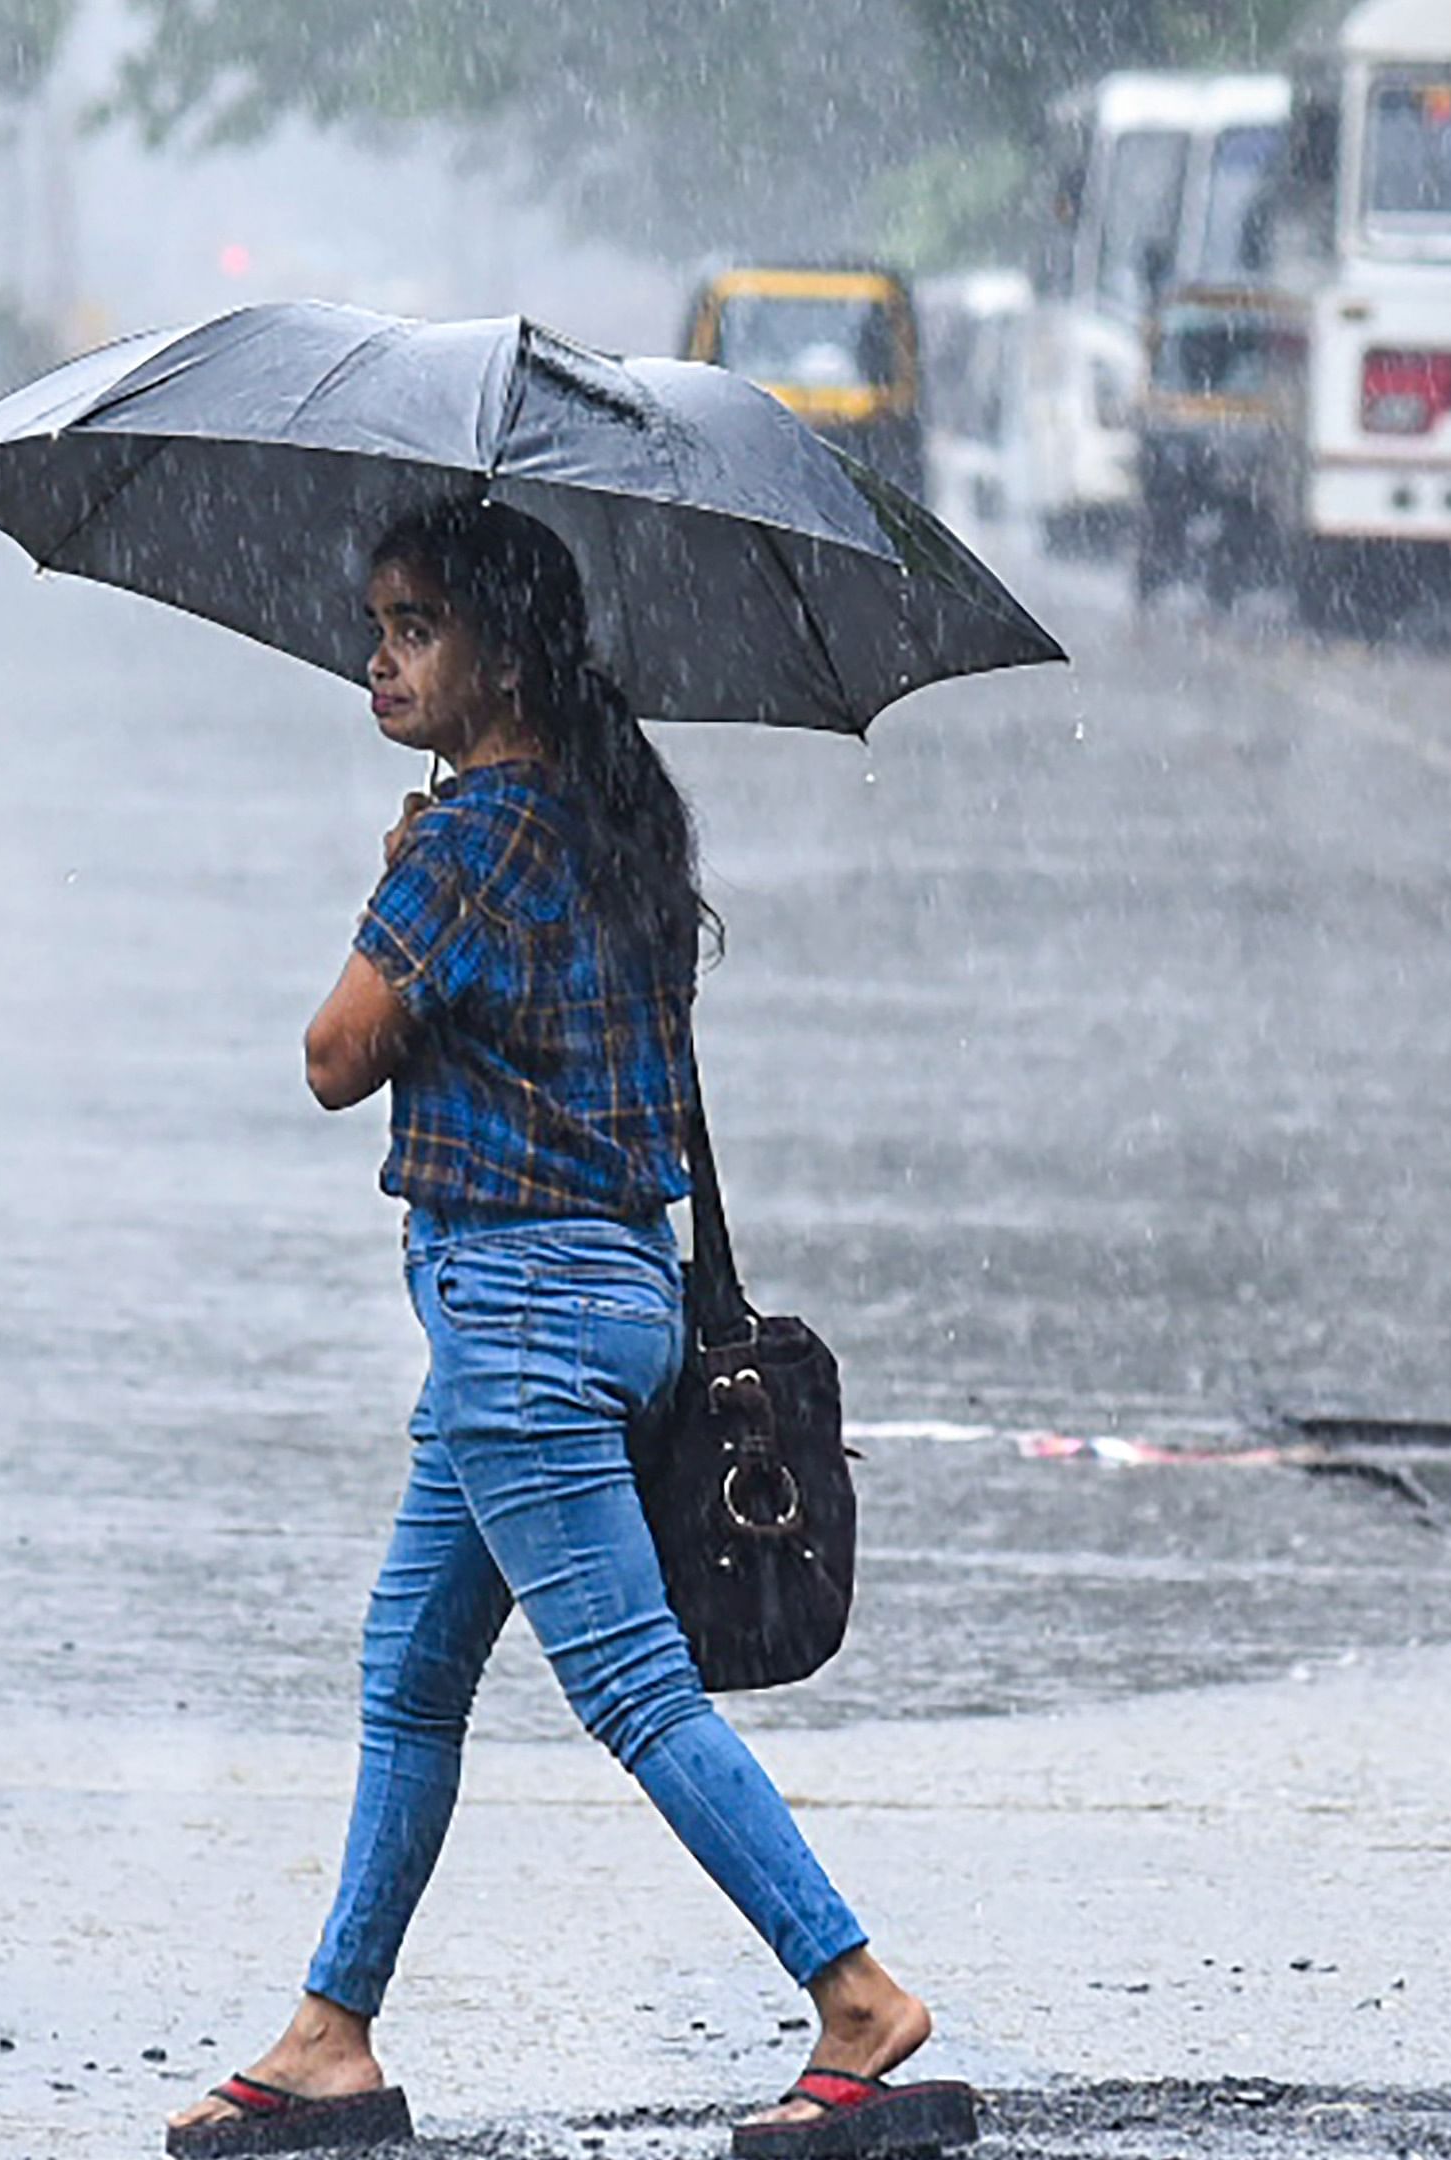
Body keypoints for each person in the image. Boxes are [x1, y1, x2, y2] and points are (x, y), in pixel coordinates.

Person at [166, 498, 960, 2160]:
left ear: (505, 654)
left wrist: (406, 892)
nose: (376, 657)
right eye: (376, 622)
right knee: (410, 1672)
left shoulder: (478, 842)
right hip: (601, 1297)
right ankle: (330, 2035)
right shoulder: (606, 832)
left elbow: (332, 1054)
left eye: (415, 626)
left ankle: (854, 1994)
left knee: (636, 1694)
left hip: (518, 1321)